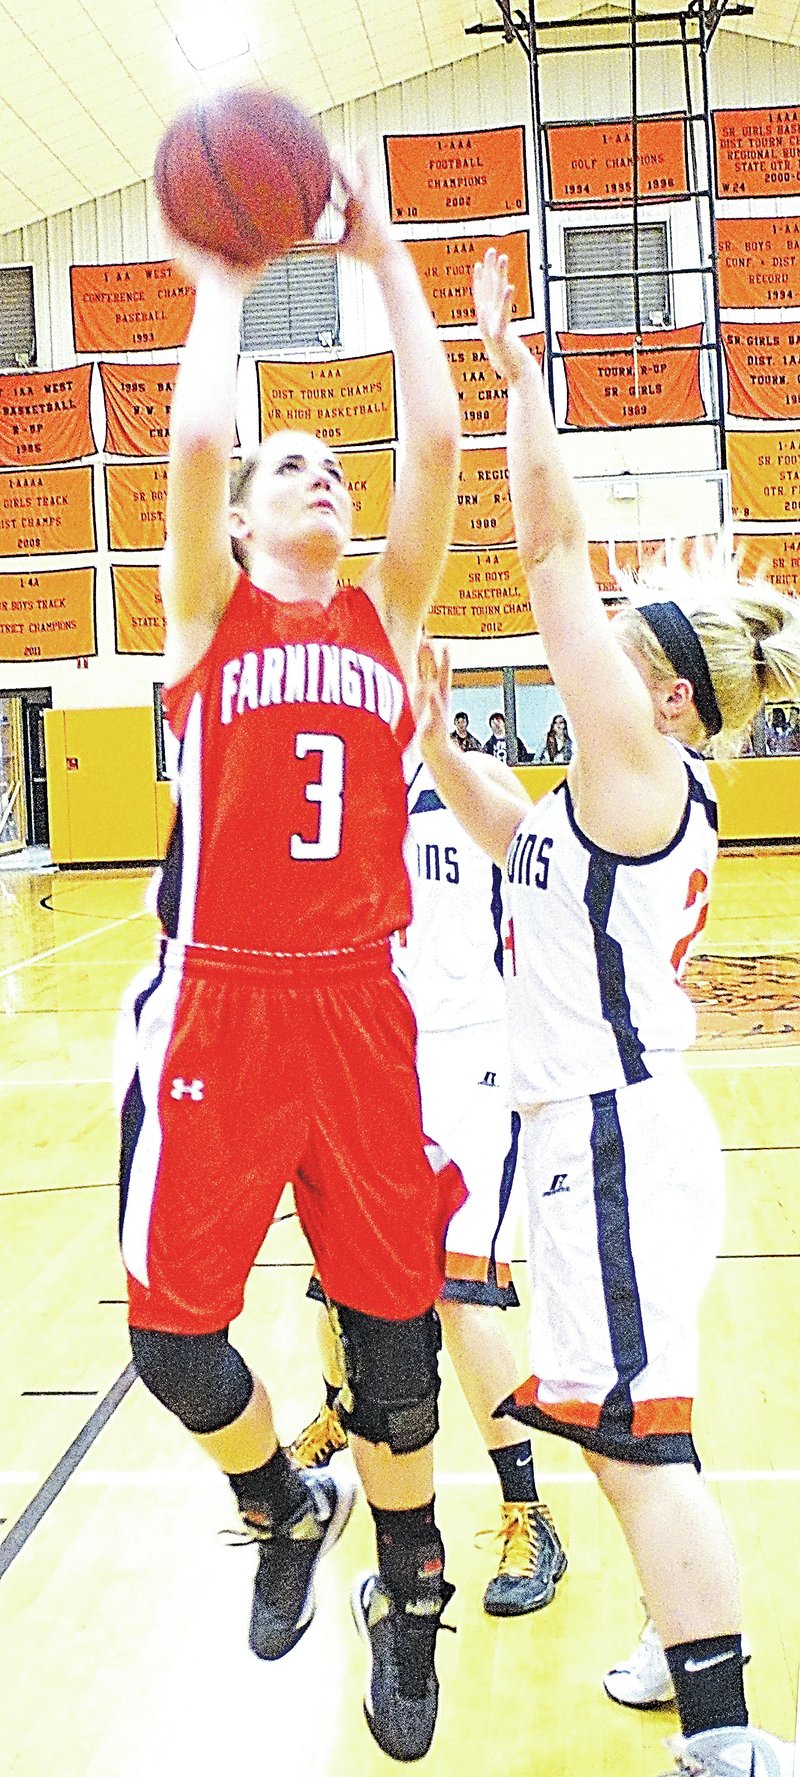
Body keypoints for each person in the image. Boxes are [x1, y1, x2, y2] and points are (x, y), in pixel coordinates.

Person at [412, 246, 800, 1777]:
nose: (602, 659)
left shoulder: (647, 767)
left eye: (633, 658)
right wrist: (441, 744)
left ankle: (729, 1733)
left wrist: (516, 384)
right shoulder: (608, 799)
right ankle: (674, 1639)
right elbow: (515, 831)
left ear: (678, 702)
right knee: (640, 1425)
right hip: (602, 1136)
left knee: (640, 1438)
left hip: (619, 1137)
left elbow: (550, 546)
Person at [115, 151, 462, 1765]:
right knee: (170, 1336)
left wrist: (386, 251)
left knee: (395, 1345)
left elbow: (439, 440)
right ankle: (279, 1499)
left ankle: (411, 1584)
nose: (325, 477)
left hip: (359, 1001)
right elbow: (195, 436)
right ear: (248, 519)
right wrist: (230, 275)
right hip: (221, 996)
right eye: (296, 465)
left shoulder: (387, 622)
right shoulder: (210, 625)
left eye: (337, 465)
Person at [290, 746, 566, 1617]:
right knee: (339, 1269)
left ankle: (529, 1508)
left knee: (457, 1289)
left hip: (478, 1053)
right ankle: (342, 1406)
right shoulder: (340, 777)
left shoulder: (473, 778)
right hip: (374, 1051)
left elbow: (545, 906)